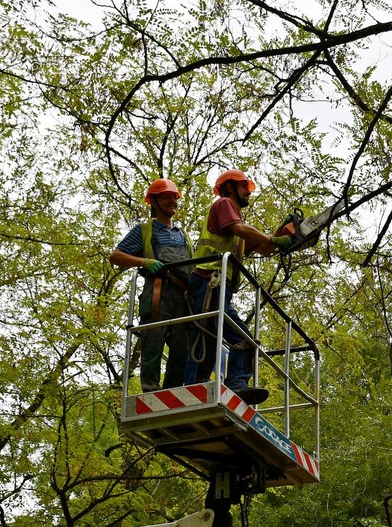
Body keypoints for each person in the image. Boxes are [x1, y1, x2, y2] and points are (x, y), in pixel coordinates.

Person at [184, 169, 293, 404]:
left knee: (208, 338)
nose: (248, 192)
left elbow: (265, 248)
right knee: (241, 337)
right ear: (230, 187)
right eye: (245, 187)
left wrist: (282, 232)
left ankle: (195, 386)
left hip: (217, 287)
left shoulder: (237, 226)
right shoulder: (224, 205)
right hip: (209, 282)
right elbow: (241, 230)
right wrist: (272, 238)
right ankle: (235, 383)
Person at [109, 178, 192, 392]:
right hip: (157, 295)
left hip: (182, 298)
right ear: (153, 202)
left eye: (174, 197)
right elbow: (116, 256)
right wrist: (144, 261)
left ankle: (172, 393)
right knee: (153, 345)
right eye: (165, 197)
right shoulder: (144, 231)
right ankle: (151, 392)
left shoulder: (184, 236)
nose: (172, 201)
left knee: (183, 349)